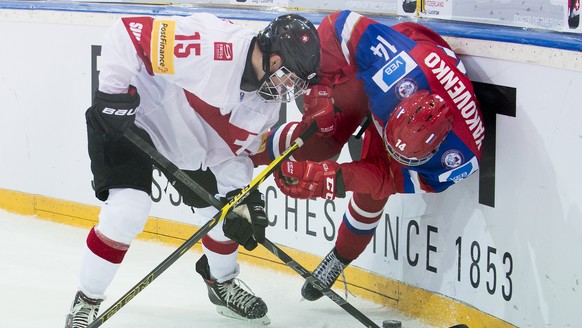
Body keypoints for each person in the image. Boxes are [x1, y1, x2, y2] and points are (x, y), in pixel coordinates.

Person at [65, 12, 320, 328]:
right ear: (273, 59)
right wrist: (113, 93)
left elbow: (234, 154)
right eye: (289, 77)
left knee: (225, 212)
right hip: (132, 120)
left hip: (187, 144)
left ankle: (221, 282)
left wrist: (238, 196)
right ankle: (87, 300)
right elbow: (128, 32)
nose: (288, 89)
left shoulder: (266, 105)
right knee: (129, 210)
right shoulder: (212, 45)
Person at [252, 10, 484, 301]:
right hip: (388, 79)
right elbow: (336, 25)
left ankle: (340, 256)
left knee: (371, 194)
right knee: (321, 140)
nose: (385, 149)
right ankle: (244, 152)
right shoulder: (396, 70)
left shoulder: (459, 160)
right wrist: (319, 83)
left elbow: (382, 179)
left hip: (407, 109)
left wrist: (332, 179)